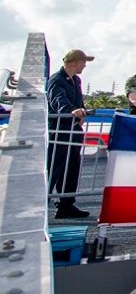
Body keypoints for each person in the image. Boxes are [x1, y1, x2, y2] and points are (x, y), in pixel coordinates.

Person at [47, 48, 94, 219]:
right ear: (75, 62)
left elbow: (78, 102)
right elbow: (57, 100)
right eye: (83, 62)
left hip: (72, 130)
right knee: (54, 169)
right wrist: (72, 110)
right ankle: (41, 206)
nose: (85, 65)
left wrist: (82, 112)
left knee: (72, 168)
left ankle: (66, 205)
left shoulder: (76, 80)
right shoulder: (56, 80)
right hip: (59, 131)